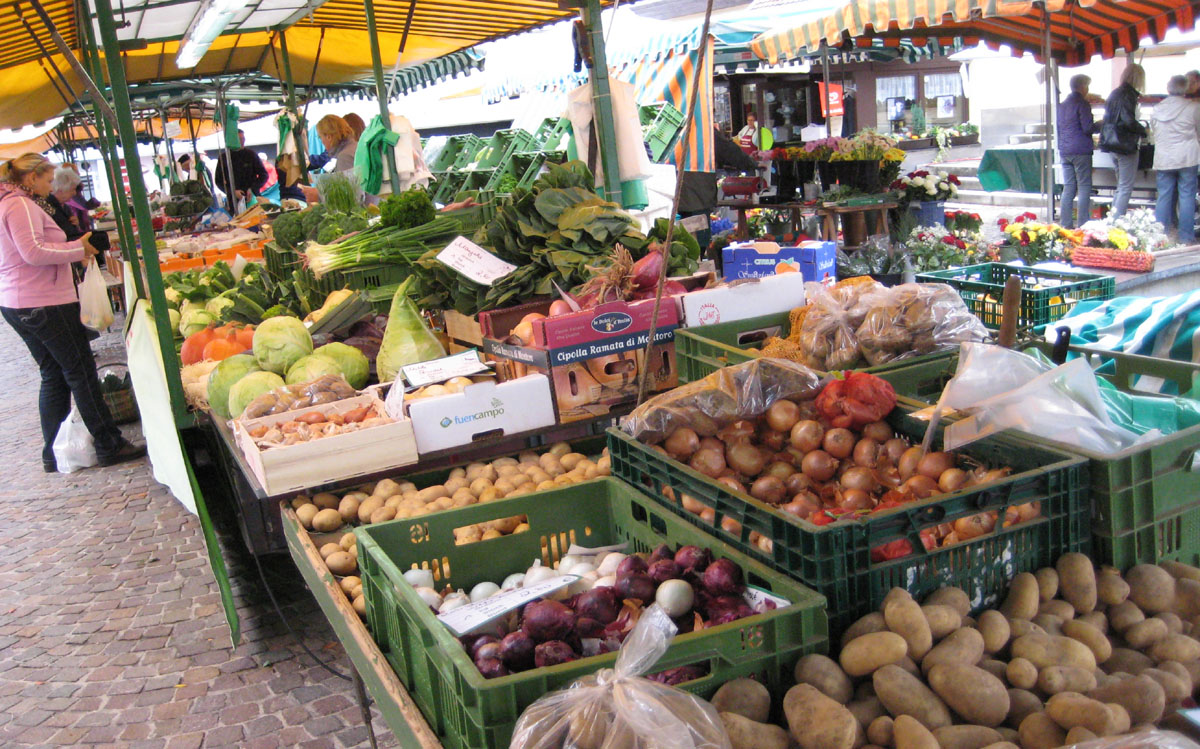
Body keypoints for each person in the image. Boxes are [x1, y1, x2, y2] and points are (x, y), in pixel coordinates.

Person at [0, 153, 144, 472]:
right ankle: (109, 443)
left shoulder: (7, 202)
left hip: (18, 300)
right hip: (43, 301)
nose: (50, 187)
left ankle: (53, 453)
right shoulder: (20, 205)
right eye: (48, 180)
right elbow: (33, 252)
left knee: (53, 374)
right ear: (31, 178)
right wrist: (80, 249)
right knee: (80, 371)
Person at [1152, 75, 1200, 243]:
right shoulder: (1193, 108)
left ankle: (1159, 236)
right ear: (1185, 88)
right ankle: (1186, 236)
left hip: (1164, 157)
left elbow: (1154, 131)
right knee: (1187, 196)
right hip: (1188, 158)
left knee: (1164, 195)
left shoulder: (1157, 109)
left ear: (1168, 88)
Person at [1099, 64, 1149, 218]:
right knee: (1126, 187)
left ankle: (1113, 219)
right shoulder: (1129, 95)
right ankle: (1117, 221)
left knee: (1121, 186)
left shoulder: (1114, 93)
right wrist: (1143, 131)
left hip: (1111, 144)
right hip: (1125, 145)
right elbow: (1128, 120)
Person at [1057, 74, 1102, 228]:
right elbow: (1088, 128)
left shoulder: (1062, 105)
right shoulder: (1082, 104)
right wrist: (1101, 124)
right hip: (1081, 150)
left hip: (1065, 150)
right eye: (1087, 86)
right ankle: (1083, 224)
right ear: (1083, 87)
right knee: (1084, 187)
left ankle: (1066, 224)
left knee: (1069, 187)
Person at [214, 130, 269, 204]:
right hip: (233, 201)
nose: (242, 141)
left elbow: (264, 175)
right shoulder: (224, 157)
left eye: (243, 139)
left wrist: (252, 188)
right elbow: (219, 181)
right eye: (239, 139)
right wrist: (232, 192)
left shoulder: (251, 155)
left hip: (252, 198)